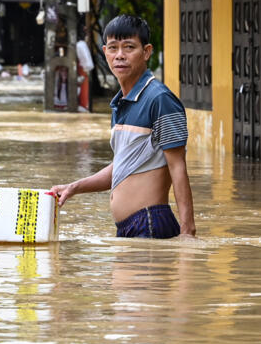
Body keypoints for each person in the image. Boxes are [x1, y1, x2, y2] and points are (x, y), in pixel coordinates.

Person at [50, 14, 196, 239]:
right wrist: (74, 187)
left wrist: (188, 232)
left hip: (149, 223)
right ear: (104, 51)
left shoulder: (160, 99)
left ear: (146, 52)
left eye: (129, 47)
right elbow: (122, 168)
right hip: (130, 228)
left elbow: (178, 168)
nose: (120, 55)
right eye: (113, 48)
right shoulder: (120, 103)